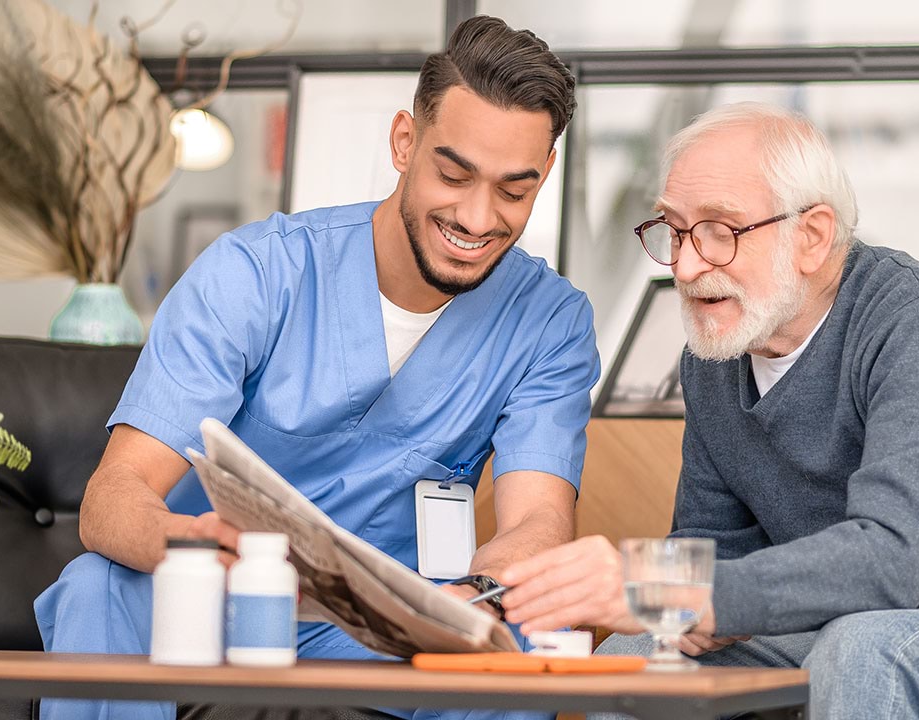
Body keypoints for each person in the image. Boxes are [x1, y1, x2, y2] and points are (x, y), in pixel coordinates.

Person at [497, 102, 919, 719]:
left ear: (812, 236)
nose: (689, 266)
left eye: (719, 232)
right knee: (631, 661)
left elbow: (889, 560)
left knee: (867, 647)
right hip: (859, 619)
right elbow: (715, 557)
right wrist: (669, 610)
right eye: (673, 231)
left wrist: (665, 589)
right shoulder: (712, 361)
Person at [34, 16, 595, 720]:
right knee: (96, 584)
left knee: (515, 641)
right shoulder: (257, 275)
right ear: (404, 142)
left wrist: (473, 594)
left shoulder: (548, 322)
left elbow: (540, 520)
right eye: (454, 174)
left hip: (381, 637)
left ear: (544, 176)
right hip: (214, 605)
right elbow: (114, 497)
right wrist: (187, 543)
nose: (478, 217)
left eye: (513, 191)